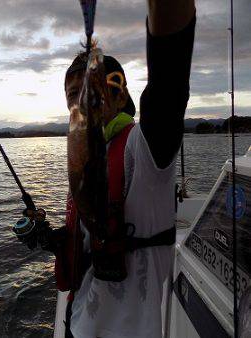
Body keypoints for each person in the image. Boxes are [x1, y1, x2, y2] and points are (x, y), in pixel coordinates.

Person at [24, 0, 196, 337]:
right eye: (72, 95)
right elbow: (85, 241)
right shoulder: (89, 154)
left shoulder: (144, 152)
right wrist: (54, 239)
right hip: (75, 324)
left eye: (93, 91)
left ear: (120, 99)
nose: (80, 101)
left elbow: (169, 84)